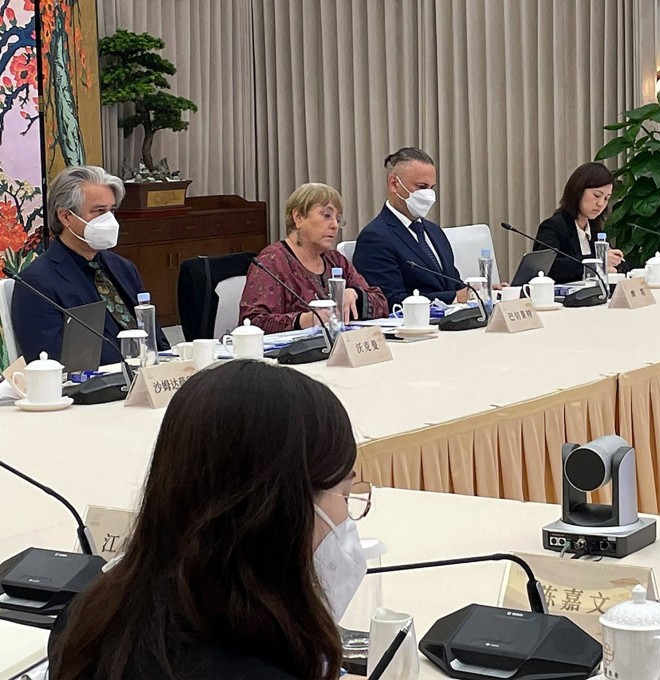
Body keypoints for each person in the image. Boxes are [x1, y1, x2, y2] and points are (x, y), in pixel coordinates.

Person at [48, 360, 371, 680]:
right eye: (344, 491)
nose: (345, 516)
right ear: (282, 508)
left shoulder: (85, 621)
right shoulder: (250, 665)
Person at [11, 165, 169, 364]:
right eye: (99, 211)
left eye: (111, 210)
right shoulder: (37, 283)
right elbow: (48, 360)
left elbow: (157, 339)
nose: (109, 219)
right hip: (97, 388)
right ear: (66, 216)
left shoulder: (123, 268)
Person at [239, 183, 388, 333]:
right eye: (327, 215)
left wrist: (356, 294)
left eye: (338, 219)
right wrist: (305, 320)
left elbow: (382, 303)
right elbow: (253, 322)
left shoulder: (336, 261)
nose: (335, 225)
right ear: (298, 217)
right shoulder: (271, 262)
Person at [353, 147, 469, 308]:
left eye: (431, 188)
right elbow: (388, 300)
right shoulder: (375, 237)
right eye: (421, 187)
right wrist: (454, 298)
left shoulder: (435, 231)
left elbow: (452, 283)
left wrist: (479, 292)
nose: (428, 195)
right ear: (394, 184)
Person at [533, 162, 626, 283]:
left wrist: (615, 263)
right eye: (597, 195)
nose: (601, 204)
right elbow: (549, 269)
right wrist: (598, 260)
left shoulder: (595, 231)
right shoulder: (553, 227)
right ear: (578, 191)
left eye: (606, 198)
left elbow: (620, 266)